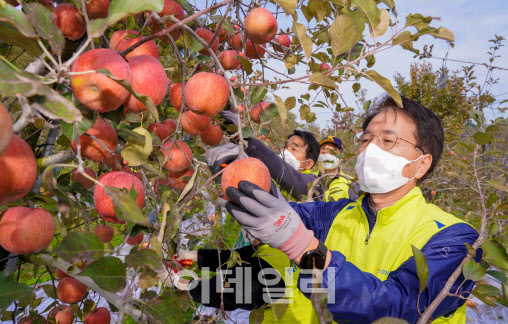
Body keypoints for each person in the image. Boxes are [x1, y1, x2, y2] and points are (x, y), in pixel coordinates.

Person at [224, 95, 480, 324]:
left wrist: (303, 247)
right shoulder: (333, 214)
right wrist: (244, 169)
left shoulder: (457, 239)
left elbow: (397, 308)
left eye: (388, 140)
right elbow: (282, 215)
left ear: (422, 164)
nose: (370, 148)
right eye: (365, 139)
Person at [208, 111, 322, 202]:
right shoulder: (270, 178)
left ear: (309, 163)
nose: (286, 151)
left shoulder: (315, 183)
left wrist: (247, 141)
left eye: (294, 149)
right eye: (285, 147)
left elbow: (291, 178)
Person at [317, 135, 358, 201]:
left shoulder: (350, 183)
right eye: (323, 152)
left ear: (341, 157)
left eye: (333, 153)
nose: (327, 156)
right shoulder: (311, 178)